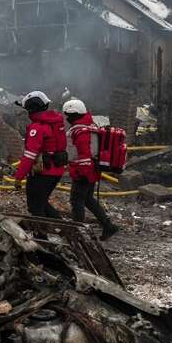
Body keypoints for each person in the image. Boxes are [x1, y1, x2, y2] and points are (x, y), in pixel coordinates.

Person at [63, 99, 119, 240]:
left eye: (69, 115)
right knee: (88, 199)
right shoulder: (91, 126)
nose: (67, 118)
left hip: (83, 171)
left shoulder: (81, 131)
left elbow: (84, 154)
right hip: (92, 170)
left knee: (76, 201)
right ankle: (108, 226)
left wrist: (83, 173)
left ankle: (78, 232)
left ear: (75, 114)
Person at [13, 91, 67, 218]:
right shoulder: (55, 122)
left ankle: (43, 230)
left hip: (42, 173)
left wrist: (18, 177)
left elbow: (29, 156)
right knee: (41, 203)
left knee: (35, 206)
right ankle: (63, 227)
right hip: (56, 171)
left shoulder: (38, 127)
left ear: (32, 108)